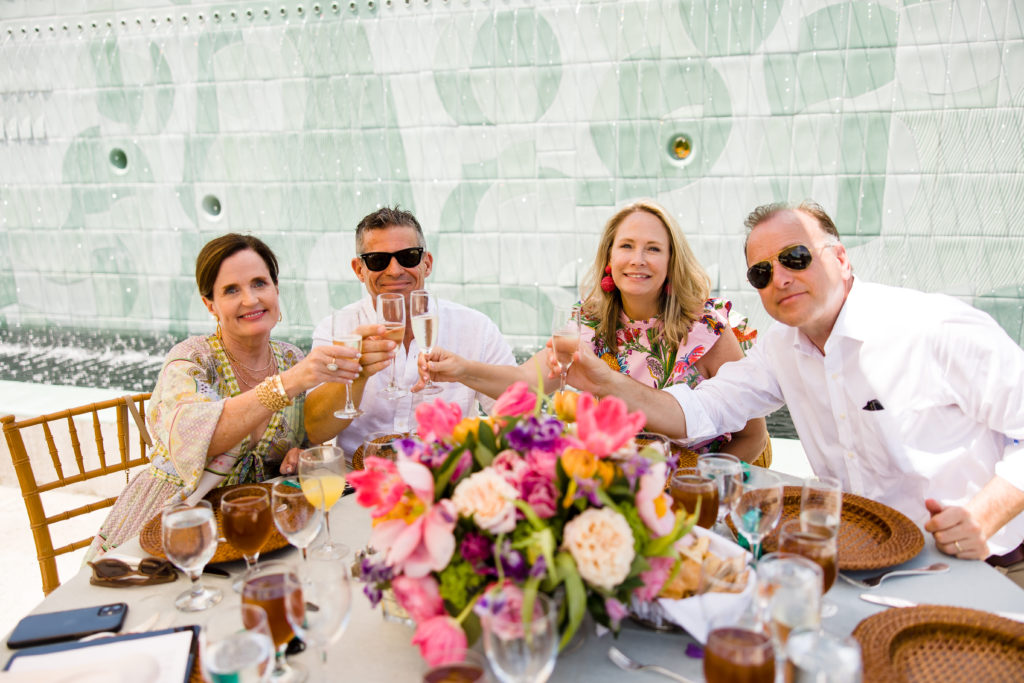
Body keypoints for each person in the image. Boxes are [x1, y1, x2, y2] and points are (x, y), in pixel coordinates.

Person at [563, 200, 1024, 580]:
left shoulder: (932, 328)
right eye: (761, 273)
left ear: (841, 258)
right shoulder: (780, 349)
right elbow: (703, 409)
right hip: (860, 562)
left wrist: (985, 516)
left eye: (796, 258)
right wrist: (607, 382)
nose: (779, 277)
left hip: (985, 562)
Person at [88, 234, 381, 557]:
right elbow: (193, 436)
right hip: (175, 522)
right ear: (209, 304)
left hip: (262, 529)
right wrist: (286, 384)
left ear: (276, 290)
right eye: (231, 290)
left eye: (260, 283)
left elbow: (311, 429)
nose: (251, 299)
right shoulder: (192, 359)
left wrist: (299, 451)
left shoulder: (289, 357)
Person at [418, 199, 769, 464]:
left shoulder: (707, 331)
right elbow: (525, 383)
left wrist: (702, 487)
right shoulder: (588, 327)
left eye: (654, 249)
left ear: (671, 262)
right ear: (609, 258)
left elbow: (753, 436)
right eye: (627, 246)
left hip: (691, 498)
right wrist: (461, 369)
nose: (638, 259)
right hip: (613, 490)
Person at [304, 206, 516, 457]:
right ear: (359, 270)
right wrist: (357, 375)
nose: (394, 270)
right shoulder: (336, 329)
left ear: (427, 263)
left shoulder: (475, 328)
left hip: (446, 478)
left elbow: (517, 411)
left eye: (408, 256)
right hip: (359, 484)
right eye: (377, 260)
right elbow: (316, 431)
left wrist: (466, 372)